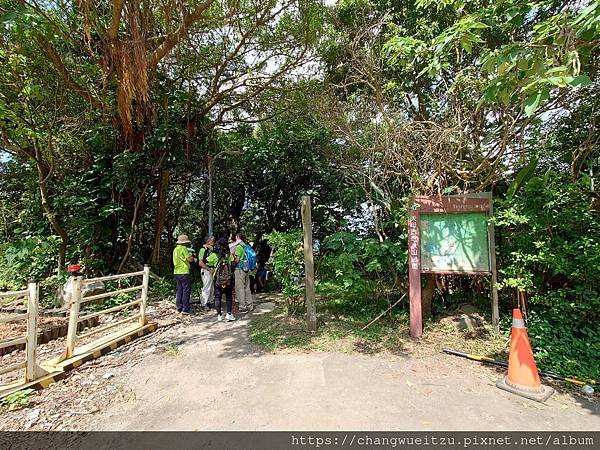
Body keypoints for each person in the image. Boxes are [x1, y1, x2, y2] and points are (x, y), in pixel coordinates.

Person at [207, 238, 235, 322]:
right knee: (228, 297)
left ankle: (219, 315)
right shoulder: (228, 255)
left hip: (218, 279)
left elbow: (206, 261)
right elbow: (233, 263)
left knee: (217, 297)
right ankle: (229, 314)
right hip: (228, 279)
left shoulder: (214, 256)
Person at [173, 234, 195, 314]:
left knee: (179, 290)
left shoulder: (175, 249)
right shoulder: (184, 248)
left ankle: (179, 307)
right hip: (184, 271)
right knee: (186, 290)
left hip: (176, 272)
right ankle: (185, 309)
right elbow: (189, 259)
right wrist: (192, 257)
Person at [233, 233, 253, 312]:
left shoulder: (238, 247)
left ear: (238, 237)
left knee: (239, 288)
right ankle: (250, 305)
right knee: (247, 287)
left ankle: (242, 306)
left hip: (240, 269)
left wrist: (233, 256)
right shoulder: (246, 246)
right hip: (247, 269)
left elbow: (237, 260)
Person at [197, 236, 215, 309]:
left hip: (211, 270)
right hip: (206, 270)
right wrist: (209, 269)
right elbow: (200, 263)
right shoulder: (203, 250)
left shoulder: (211, 250)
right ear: (208, 241)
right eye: (212, 241)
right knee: (206, 287)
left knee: (211, 288)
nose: (214, 242)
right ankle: (203, 304)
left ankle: (210, 302)